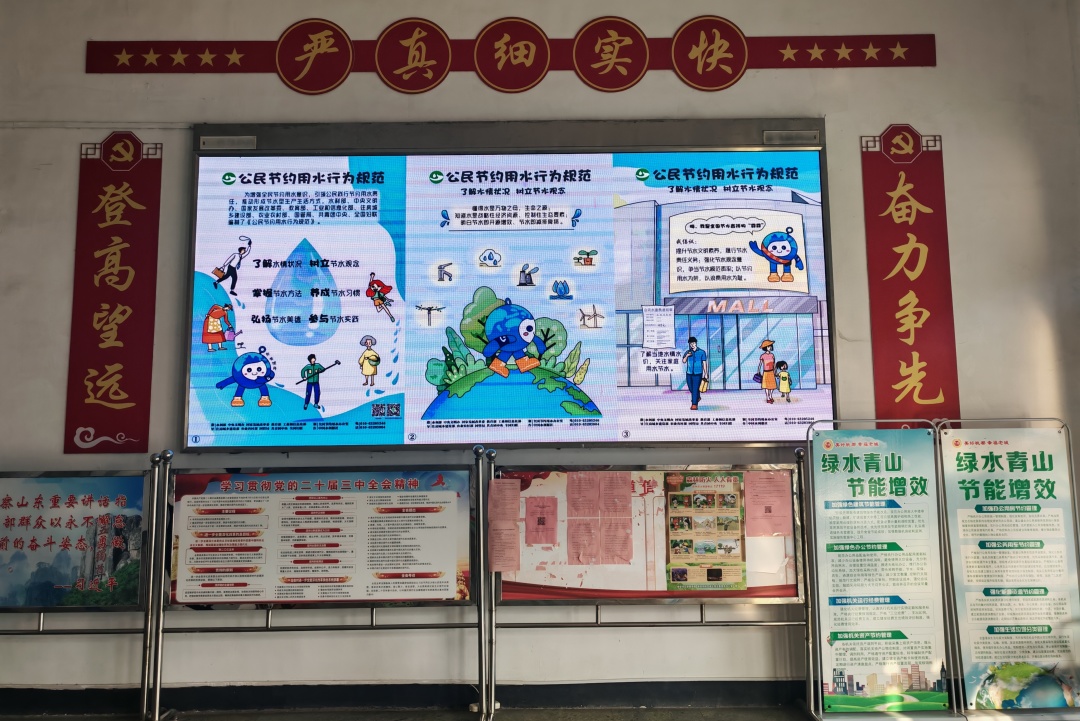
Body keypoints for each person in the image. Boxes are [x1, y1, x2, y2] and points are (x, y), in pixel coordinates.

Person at [681, 336, 707, 410]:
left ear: (695, 343)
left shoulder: (702, 352)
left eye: (693, 343)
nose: (692, 345)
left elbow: (704, 363)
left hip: (698, 373)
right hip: (689, 373)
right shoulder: (688, 352)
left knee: (695, 388)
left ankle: (694, 404)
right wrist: (687, 356)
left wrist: (706, 373)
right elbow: (683, 361)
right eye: (690, 344)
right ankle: (697, 397)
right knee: (691, 388)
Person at [757, 340, 778, 404]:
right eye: (768, 346)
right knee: (766, 386)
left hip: (771, 372)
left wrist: (775, 371)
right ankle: (768, 398)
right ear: (765, 347)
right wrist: (758, 371)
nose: (770, 347)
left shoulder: (772, 355)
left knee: (772, 386)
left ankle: (770, 396)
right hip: (766, 372)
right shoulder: (762, 356)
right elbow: (760, 364)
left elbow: (774, 364)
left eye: (770, 346)